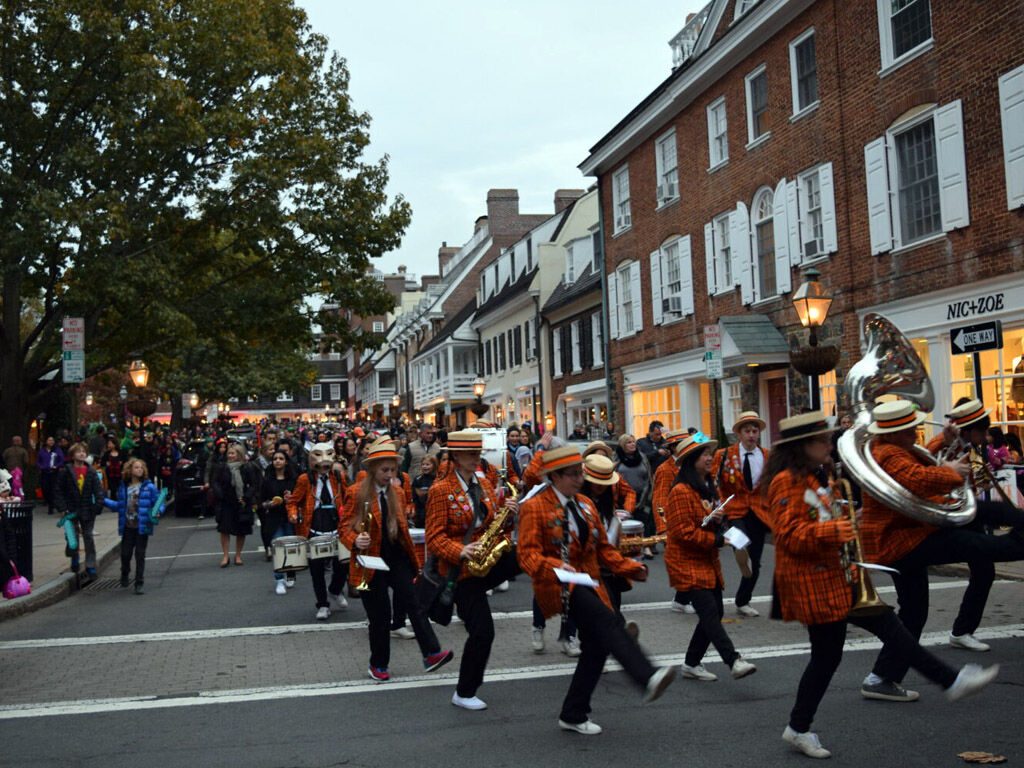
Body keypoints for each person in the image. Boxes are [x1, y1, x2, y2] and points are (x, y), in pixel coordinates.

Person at [765, 410, 999, 759]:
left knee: (840, 653)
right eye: (823, 440)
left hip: (836, 577)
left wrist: (848, 518)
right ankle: (950, 681)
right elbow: (786, 534)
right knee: (856, 646)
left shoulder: (815, 476)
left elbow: (818, 518)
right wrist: (834, 529)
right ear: (803, 446)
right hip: (814, 585)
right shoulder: (786, 481)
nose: (830, 445)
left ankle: (798, 727)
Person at [859, 400, 1024, 702]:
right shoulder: (887, 453)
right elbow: (916, 477)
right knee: (964, 542)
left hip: (903, 538)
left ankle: (881, 678)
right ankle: (1018, 543)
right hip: (901, 540)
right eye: (909, 428)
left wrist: (942, 443)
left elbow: (917, 459)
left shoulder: (893, 448)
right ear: (894, 432)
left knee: (913, 613)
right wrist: (950, 471)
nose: (915, 431)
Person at [518, 445, 676, 734]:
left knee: (596, 646)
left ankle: (573, 713)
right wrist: (555, 567)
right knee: (609, 621)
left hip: (589, 582)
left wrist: (629, 567)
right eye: (573, 474)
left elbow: (603, 549)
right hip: (557, 584)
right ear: (554, 476)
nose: (580, 479)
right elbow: (526, 555)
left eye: (581, 473)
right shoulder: (534, 506)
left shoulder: (586, 505)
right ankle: (647, 676)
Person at [340, 440, 454, 681]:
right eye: (384, 471)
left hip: (396, 557)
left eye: (392, 470)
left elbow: (401, 528)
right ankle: (378, 664)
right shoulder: (356, 493)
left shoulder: (399, 493)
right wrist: (354, 540)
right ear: (372, 470)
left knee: (414, 604)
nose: (390, 475)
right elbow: (343, 527)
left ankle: (431, 653)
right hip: (368, 561)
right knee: (380, 615)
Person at [425, 430, 519, 711]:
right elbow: (434, 538)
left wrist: (510, 513)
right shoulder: (440, 490)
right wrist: (460, 551)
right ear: (455, 457)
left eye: (478, 452)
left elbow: (495, 524)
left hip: (485, 562)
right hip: (461, 573)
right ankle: (464, 692)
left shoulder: (485, 483)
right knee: (483, 632)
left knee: (527, 556)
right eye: (471, 453)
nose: (477, 457)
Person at [664, 434, 756, 681]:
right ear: (692, 460)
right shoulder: (680, 491)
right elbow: (682, 532)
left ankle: (691, 664)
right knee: (709, 612)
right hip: (685, 561)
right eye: (705, 454)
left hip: (706, 560)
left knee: (713, 610)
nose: (710, 458)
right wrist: (717, 539)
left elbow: (709, 523)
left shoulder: (708, 487)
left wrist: (719, 522)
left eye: (709, 454)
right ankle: (733, 660)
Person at [711, 410, 771, 617]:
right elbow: (712, 481)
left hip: (759, 510)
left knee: (755, 561)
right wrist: (717, 503)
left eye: (755, 431)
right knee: (740, 538)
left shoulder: (766, 455)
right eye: (747, 431)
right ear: (739, 433)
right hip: (734, 508)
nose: (752, 435)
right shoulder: (724, 455)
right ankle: (738, 546)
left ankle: (743, 601)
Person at [287, 442, 349, 619]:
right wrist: (292, 514)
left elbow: (349, 497)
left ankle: (335, 590)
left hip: (336, 527)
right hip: (314, 528)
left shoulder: (339, 477)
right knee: (317, 570)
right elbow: (293, 501)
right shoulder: (305, 480)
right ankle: (322, 604)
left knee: (343, 564)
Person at [102, 458, 163, 594]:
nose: (139, 470)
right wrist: (104, 501)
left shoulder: (149, 487)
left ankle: (139, 582)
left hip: (143, 526)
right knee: (125, 554)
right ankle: (125, 573)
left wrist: (158, 510)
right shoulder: (124, 488)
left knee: (140, 555)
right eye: (136, 467)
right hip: (128, 527)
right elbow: (119, 506)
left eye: (141, 467)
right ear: (129, 470)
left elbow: (159, 501)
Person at [53, 442, 105, 578]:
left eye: (84, 451)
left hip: (87, 508)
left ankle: (90, 565)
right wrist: (62, 507)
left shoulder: (91, 471)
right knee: (72, 537)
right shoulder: (66, 471)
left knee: (88, 537)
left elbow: (98, 490)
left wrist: (98, 504)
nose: (82, 453)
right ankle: (74, 557)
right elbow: (58, 490)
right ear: (72, 455)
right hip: (71, 508)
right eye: (78, 451)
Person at [212, 442, 259, 568]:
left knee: (241, 530)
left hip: (241, 502)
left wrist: (246, 497)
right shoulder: (222, 467)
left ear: (239, 454)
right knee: (224, 529)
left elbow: (254, 484)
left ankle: (238, 555)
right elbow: (215, 482)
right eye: (229, 453)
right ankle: (225, 555)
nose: (230, 456)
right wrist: (220, 495)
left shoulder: (247, 468)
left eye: (233, 453)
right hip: (226, 502)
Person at [261, 450, 298, 594]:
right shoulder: (267, 480)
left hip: (289, 517)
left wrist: (291, 499)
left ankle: (290, 574)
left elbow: (298, 499)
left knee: (290, 547)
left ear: (286, 461)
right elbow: (261, 502)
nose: (277, 461)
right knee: (277, 547)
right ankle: (278, 579)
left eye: (281, 458)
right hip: (274, 518)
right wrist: (269, 504)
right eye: (275, 458)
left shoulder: (292, 480)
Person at [36, 436, 65, 515]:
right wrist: (41, 467)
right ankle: (49, 502)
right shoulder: (42, 451)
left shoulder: (57, 450)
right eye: (49, 440)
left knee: (53, 489)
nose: (51, 442)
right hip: (45, 472)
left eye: (52, 440)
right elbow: (38, 461)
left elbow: (62, 459)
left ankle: (52, 507)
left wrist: (57, 465)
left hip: (54, 472)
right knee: (45, 489)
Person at [411, 454, 438, 528]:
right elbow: (414, 497)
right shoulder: (417, 479)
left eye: (427, 464)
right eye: (423, 464)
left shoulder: (438, 479)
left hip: (435, 513)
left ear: (434, 465)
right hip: (421, 513)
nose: (425, 466)